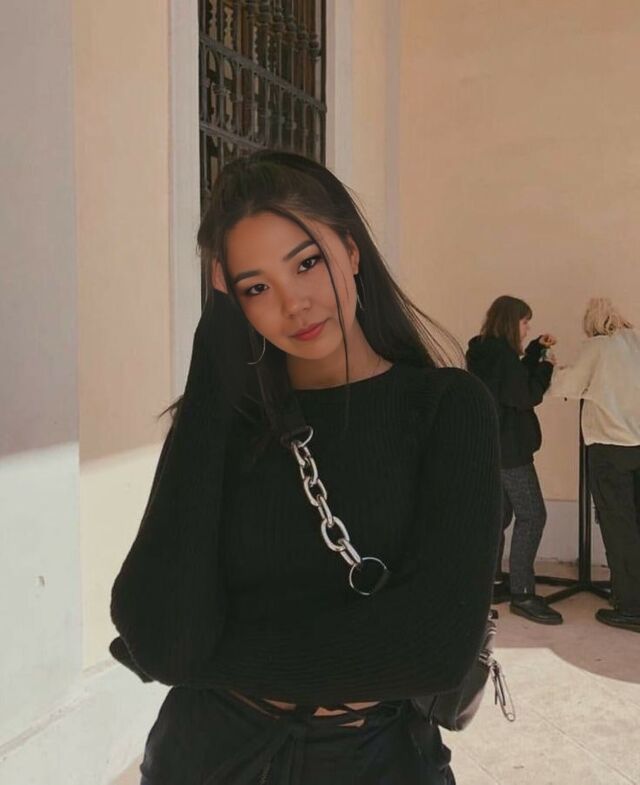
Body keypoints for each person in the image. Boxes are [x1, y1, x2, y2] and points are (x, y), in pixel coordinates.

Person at [109, 151, 502, 784]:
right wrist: (214, 354)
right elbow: (160, 628)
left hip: (374, 760)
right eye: (255, 288)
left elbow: (431, 651)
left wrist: (201, 660)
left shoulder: (447, 409)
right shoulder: (222, 421)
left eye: (307, 262)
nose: (294, 304)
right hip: (205, 757)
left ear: (350, 250)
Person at [466, 295, 563, 625]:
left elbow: (512, 381)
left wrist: (534, 349)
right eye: (525, 322)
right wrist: (546, 366)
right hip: (511, 451)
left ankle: (491, 583)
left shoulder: (484, 351)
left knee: (499, 515)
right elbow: (525, 394)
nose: (528, 327)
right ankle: (522, 593)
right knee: (533, 515)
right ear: (511, 322)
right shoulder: (504, 358)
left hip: (492, 445)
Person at [549, 298, 640, 633]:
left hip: (609, 447)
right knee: (635, 523)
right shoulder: (635, 344)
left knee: (619, 527)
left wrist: (551, 365)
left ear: (592, 323)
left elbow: (568, 386)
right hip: (637, 445)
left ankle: (631, 608)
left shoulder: (597, 347)